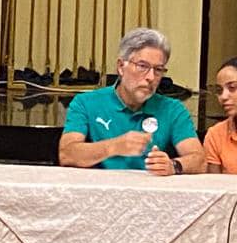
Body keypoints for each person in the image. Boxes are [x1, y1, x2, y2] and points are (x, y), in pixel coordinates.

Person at [59, 27, 205, 174]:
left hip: (151, 186)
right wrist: (114, 146)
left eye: (158, 70)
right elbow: (66, 154)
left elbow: (199, 161)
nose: (151, 77)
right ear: (121, 66)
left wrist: (174, 165)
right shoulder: (86, 103)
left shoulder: (172, 109)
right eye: (142, 66)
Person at [205, 57, 237, 173]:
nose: (223, 97)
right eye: (219, 90)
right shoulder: (216, 134)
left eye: (232, 88)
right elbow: (214, 182)